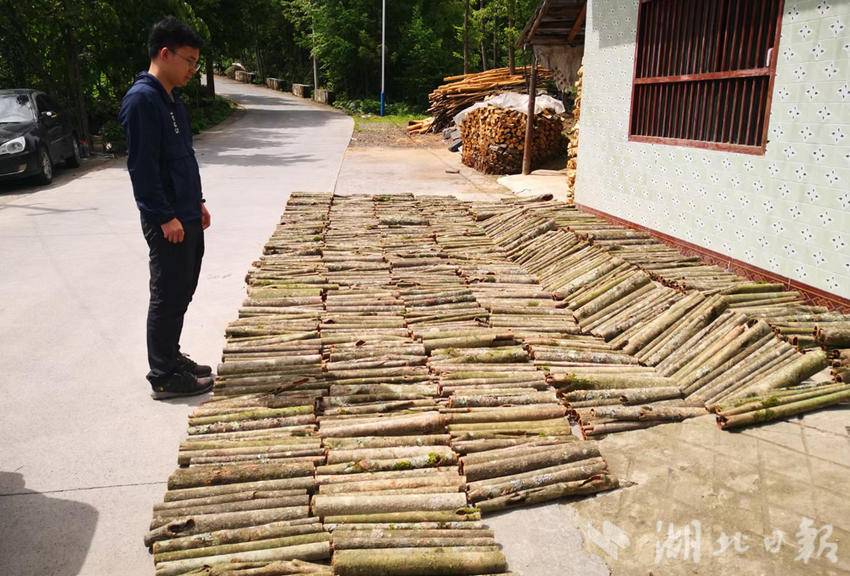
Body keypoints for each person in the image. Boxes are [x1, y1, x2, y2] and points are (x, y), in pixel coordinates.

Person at [119, 17, 213, 400]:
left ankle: (172, 357)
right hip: (168, 219)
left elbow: (182, 159)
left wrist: (198, 202)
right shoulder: (142, 101)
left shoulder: (172, 101)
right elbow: (142, 168)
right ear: (164, 54)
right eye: (189, 61)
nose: (193, 69)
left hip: (186, 212)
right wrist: (163, 216)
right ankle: (162, 374)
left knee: (183, 289)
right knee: (168, 292)